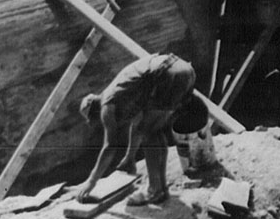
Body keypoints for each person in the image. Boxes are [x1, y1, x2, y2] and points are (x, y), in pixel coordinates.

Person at [74, 53, 205, 206]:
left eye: (94, 120)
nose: (97, 124)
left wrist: (91, 181)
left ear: (94, 112)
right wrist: (130, 157)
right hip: (184, 69)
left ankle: (154, 191)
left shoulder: (106, 106)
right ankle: (161, 189)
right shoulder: (122, 93)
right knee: (152, 130)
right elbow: (137, 127)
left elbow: (110, 146)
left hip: (168, 75)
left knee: (150, 134)